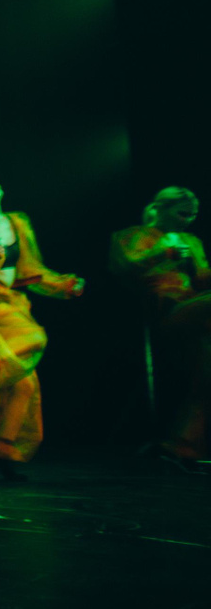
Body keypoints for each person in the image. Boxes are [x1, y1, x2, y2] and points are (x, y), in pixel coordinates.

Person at [0, 178, 84, 480]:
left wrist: (63, 286)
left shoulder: (17, 223)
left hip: (12, 304)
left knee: (23, 387)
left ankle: (0, 449)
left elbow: (31, 270)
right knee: (35, 335)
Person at [110, 187, 211, 464]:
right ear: (161, 209)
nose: (188, 221)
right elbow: (124, 268)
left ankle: (183, 446)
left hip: (195, 309)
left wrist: (195, 266)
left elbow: (202, 280)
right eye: (182, 214)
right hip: (164, 309)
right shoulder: (133, 235)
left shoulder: (191, 241)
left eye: (192, 216)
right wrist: (164, 253)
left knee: (207, 374)